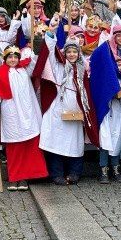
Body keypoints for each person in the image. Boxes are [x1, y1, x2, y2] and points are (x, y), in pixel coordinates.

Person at [39, 33, 99, 185]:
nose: (72, 54)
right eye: (69, 52)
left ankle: (74, 173)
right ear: (64, 53)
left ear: (79, 53)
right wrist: (51, 34)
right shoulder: (58, 66)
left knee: (75, 143)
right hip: (58, 109)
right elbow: (50, 54)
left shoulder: (82, 68)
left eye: (74, 51)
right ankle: (56, 174)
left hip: (76, 112)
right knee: (56, 142)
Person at [0, 44, 47, 191]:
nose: (13, 59)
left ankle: (25, 177)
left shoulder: (25, 69)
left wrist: (38, 46)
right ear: (5, 58)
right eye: (10, 57)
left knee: (29, 146)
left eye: (15, 57)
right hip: (11, 114)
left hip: (27, 113)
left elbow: (35, 62)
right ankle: (14, 178)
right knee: (14, 148)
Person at [90, 25, 121, 183]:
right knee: (105, 140)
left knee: (117, 138)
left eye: (118, 63)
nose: (116, 66)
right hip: (106, 110)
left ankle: (116, 169)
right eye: (113, 63)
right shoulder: (102, 76)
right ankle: (103, 170)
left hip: (118, 111)